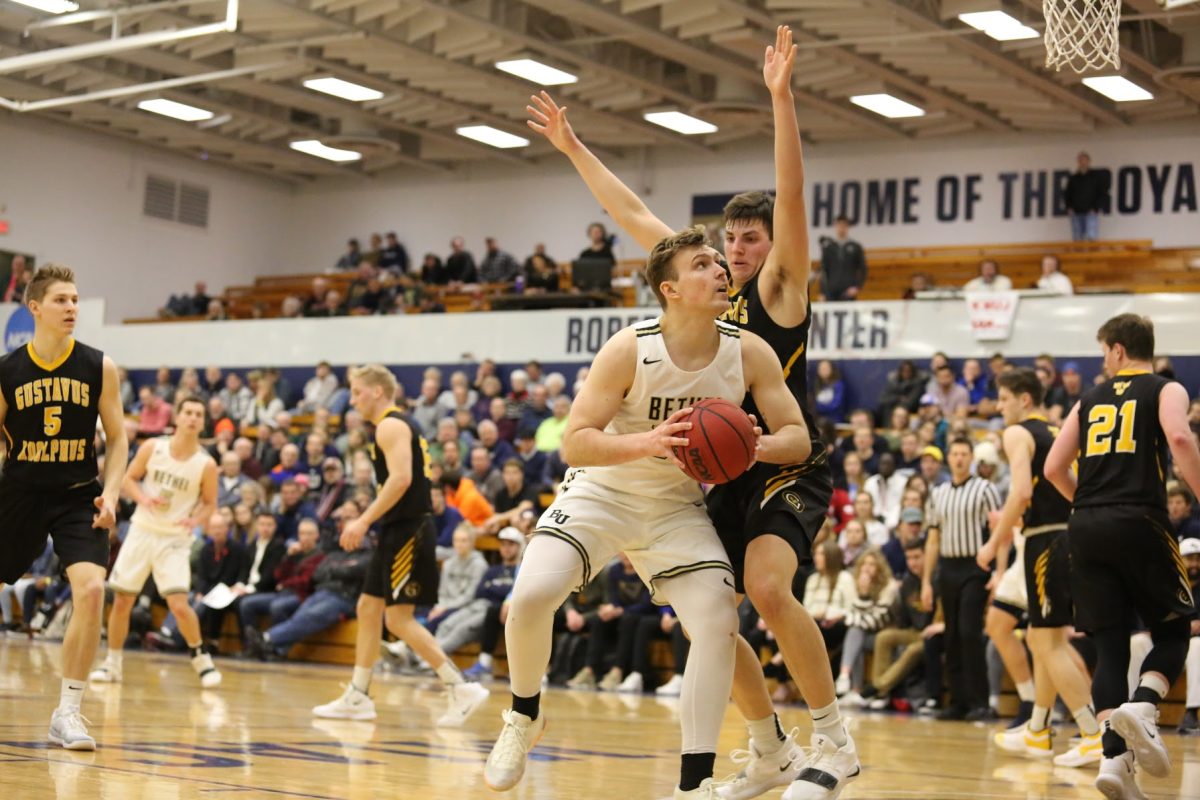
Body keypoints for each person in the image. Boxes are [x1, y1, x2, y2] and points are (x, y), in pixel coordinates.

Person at [525, 27, 858, 800]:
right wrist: (574, 148)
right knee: (712, 616)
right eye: (728, 241)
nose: (737, 251)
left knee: (770, 588)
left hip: (784, 454)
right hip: (718, 463)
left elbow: (794, 192)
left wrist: (781, 99)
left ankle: (835, 739)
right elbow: (632, 209)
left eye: (750, 240)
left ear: (771, 247)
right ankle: (769, 750)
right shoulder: (703, 284)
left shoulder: (780, 291)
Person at [482, 221, 812, 798]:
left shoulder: (748, 351)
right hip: (602, 490)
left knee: (716, 622)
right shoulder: (631, 346)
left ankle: (694, 784)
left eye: (718, 261)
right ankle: (524, 714)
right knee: (531, 597)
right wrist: (650, 441)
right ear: (671, 289)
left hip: (675, 508)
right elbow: (575, 441)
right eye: (703, 265)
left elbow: (799, 439)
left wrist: (752, 444)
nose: (719, 269)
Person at [1045, 313, 1200, 798]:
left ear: (1117, 350)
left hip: (1085, 524)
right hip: (1140, 518)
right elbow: (1179, 438)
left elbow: (1054, 467)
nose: (1103, 362)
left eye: (1103, 353)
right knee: (1175, 629)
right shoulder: (1166, 389)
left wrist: (1091, 507)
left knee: (1110, 647)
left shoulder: (1087, 400)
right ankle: (1147, 704)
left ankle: (1114, 761)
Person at [311, 365, 489, 727]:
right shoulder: (395, 425)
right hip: (398, 528)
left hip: (408, 528)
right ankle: (359, 695)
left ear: (377, 391)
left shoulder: (390, 425)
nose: (354, 400)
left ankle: (460, 687)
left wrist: (363, 520)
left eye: (358, 392)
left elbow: (402, 479)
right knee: (368, 607)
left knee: (398, 617)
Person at [0, 264, 129, 750]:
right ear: (35, 307)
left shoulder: (99, 365)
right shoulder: (7, 371)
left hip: (79, 494)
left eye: (75, 299)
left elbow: (117, 441)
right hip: (19, 493)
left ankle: (68, 713)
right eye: (61, 300)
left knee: (93, 590)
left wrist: (112, 493)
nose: (72, 307)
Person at [978, 368, 1101, 767]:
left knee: (1048, 642)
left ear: (1024, 399)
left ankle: (1092, 733)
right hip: (1072, 536)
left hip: (1046, 539)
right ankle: (1037, 730)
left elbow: (1022, 491)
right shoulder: (1056, 431)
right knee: (1039, 637)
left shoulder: (1016, 433)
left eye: (1004, 399)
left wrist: (993, 543)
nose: (999, 407)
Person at [90, 397, 221, 689]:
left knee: (178, 604)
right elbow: (127, 479)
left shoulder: (206, 464)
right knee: (122, 600)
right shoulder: (153, 447)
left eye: (198, 414)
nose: (193, 418)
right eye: (188, 412)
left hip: (174, 538)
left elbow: (210, 503)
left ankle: (200, 656)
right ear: (178, 416)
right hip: (142, 530)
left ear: (203, 422)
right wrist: (143, 499)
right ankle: (112, 663)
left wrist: (195, 519)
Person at [921, 438, 1002, 721]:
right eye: (954, 454)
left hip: (974, 567)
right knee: (952, 635)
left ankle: (980, 702)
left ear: (971, 458)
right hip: (947, 568)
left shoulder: (985, 489)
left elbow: (998, 532)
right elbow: (932, 539)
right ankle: (958, 702)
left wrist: (997, 570)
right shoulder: (938, 492)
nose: (958, 458)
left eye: (963, 454)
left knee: (969, 632)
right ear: (948, 458)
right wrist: (926, 582)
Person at [818, 215, 867, 301]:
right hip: (831, 292)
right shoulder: (829, 247)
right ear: (835, 226)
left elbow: (863, 269)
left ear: (848, 227)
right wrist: (822, 292)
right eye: (839, 225)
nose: (842, 228)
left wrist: (857, 287)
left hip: (848, 291)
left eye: (844, 225)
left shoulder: (855, 247)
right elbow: (824, 271)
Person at [1065, 151, 1108, 242]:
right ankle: (1078, 256)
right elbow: (1067, 194)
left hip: (1091, 212)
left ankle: (1092, 256)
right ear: (1078, 162)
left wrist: (1096, 208)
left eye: (1084, 160)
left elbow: (1102, 193)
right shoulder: (1073, 179)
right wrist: (1069, 207)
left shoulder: (1096, 177)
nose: (1082, 162)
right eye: (1080, 160)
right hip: (1076, 213)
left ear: (1088, 161)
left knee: (1092, 237)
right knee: (1077, 238)